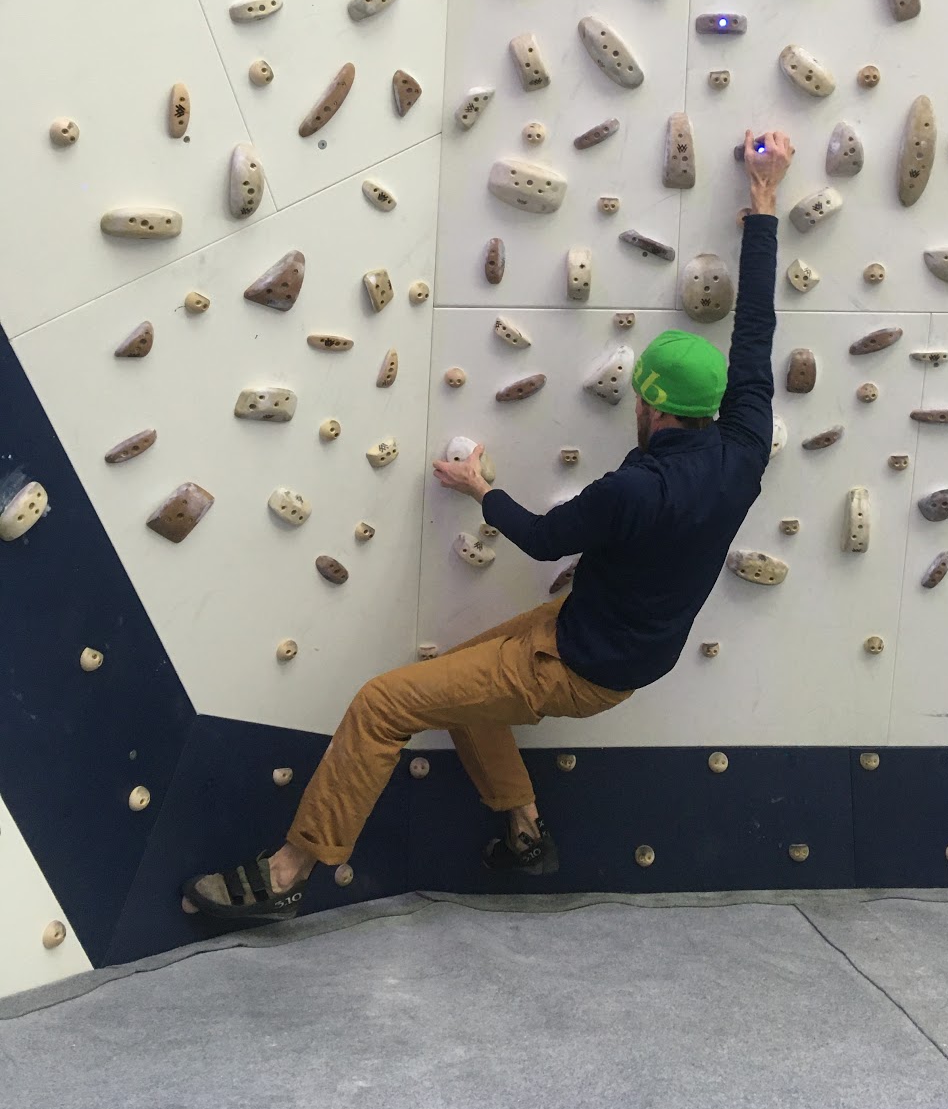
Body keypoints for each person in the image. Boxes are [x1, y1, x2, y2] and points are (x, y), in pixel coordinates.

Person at [181, 129, 793, 924]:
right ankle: (525, 830)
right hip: (614, 646)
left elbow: (540, 537)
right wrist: (764, 201)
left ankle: (290, 868)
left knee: (382, 704)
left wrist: (480, 488)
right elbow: (756, 332)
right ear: (709, 404)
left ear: (648, 405)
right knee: (465, 680)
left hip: (574, 661)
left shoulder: (635, 490)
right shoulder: (744, 449)